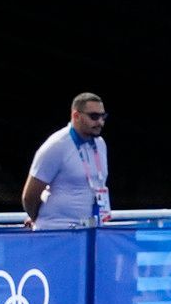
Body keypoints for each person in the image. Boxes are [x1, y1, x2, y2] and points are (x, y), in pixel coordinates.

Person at [23, 91, 110, 229]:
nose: (100, 122)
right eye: (94, 116)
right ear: (76, 115)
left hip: (90, 231)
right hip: (57, 231)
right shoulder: (56, 145)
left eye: (103, 116)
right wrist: (38, 219)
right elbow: (29, 196)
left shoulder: (100, 144)